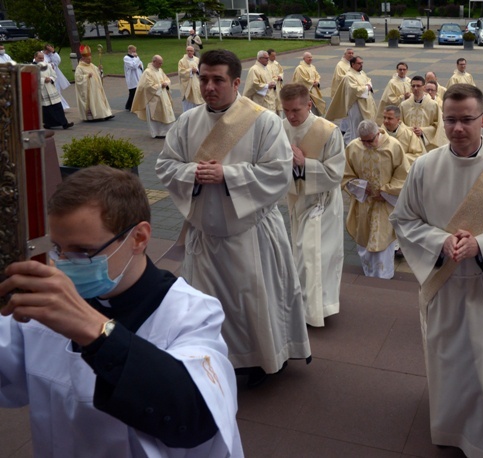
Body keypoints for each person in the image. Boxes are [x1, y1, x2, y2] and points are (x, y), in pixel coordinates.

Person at [0, 165, 243, 457]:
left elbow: (194, 416)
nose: (63, 263)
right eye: (57, 249)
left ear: (139, 237)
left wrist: (95, 331)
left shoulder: (192, 313)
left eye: (83, 251)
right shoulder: (43, 308)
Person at [389, 83, 483, 458]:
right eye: (451, 120)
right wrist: (439, 243)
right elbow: (404, 219)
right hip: (441, 283)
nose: (458, 128)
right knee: (446, 362)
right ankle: (449, 427)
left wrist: (481, 245)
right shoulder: (425, 165)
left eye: (467, 120)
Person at [156, 49, 311, 387]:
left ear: (236, 82)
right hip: (206, 234)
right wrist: (192, 172)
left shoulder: (264, 121)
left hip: (251, 233)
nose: (209, 87)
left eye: (217, 80)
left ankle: (263, 358)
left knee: (255, 300)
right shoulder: (188, 121)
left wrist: (228, 175)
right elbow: (165, 165)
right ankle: (209, 359)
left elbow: (279, 173)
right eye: (204, 79)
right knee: (206, 305)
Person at [280, 83, 345, 327]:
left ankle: (318, 309)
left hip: (322, 202)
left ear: (309, 104)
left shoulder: (328, 131)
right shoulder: (281, 128)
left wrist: (304, 164)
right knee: (301, 254)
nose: (291, 116)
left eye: (296, 110)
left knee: (316, 255)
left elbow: (336, 173)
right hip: (296, 201)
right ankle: (306, 305)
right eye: (286, 110)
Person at [341, 119, 408, 279]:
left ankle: (384, 277)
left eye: (370, 140)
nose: (367, 144)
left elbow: (403, 175)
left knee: (383, 244)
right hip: (363, 204)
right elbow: (345, 176)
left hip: (385, 204)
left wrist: (385, 191)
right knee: (365, 242)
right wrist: (361, 187)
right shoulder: (353, 147)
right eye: (363, 141)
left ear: (378, 133)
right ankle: (368, 275)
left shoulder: (393, 146)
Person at [325, 56, 376, 145]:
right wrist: (366, 87)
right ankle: (354, 144)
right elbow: (353, 90)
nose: (361, 65)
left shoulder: (361, 73)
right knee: (356, 126)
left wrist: (368, 85)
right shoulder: (349, 76)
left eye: (362, 63)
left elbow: (368, 80)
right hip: (356, 104)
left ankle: (351, 140)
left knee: (361, 124)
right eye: (359, 63)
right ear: (353, 64)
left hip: (365, 103)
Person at [131, 55, 176, 138]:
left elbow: (167, 79)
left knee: (167, 113)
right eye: (159, 63)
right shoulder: (147, 72)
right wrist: (160, 86)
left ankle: (167, 131)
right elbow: (147, 86)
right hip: (153, 98)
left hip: (163, 95)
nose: (161, 65)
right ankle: (158, 132)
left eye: (161, 63)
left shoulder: (160, 70)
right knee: (156, 114)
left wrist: (166, 83)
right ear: (154, 62)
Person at [400, 75, 447, 151]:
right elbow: (399, 124)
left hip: (426, 144)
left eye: (418, 86)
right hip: (408, 143)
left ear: (424, 87)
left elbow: (438, 126)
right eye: (413, 86)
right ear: (411, 87)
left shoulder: (433, 105)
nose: (415, 88)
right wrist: (410, 130)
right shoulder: (404, 105)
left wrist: (423, 131)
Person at [34, 51, 73, 129]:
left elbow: (54, 75)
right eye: (40, 58)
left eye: (42, 58)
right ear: (35, 57)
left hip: (51, 89)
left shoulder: (47, 65)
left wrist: (50, 78)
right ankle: (48, 124)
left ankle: (64, 123)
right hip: (42, 90)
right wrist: (42, 80)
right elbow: (32, 78)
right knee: (47, 109)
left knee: (58, 107)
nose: (42, 59)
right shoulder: (33, 67)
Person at [75, 44, 113, 122]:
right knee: (93, 102)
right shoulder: (79, 67)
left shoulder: (91, 65)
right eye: (88, 60)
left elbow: (97, 73)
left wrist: (99, 69)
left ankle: (104, 114)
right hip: (89, 90)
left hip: (96, 88)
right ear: (83, 59)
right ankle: (93, 116)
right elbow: (78, 79)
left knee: (100, 100)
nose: (90, 61)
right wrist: (86, 76)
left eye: (90, 59)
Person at [330, 48, 354, 134]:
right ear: (345, 54)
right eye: (349, 53)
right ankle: (345, 129)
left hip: (351, 91)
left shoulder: (351, 64)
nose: (351, 54)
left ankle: (346, 128)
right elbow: (340, 78)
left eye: (352, 53)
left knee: (348, 111)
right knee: (346, 111)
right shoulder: (340, 65)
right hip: (344, 91)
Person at [43, 44, 70, 109]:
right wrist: (50, 65)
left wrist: (53, 52)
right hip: (47, 76)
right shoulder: (42, 55)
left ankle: (61, 106)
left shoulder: (52, 54)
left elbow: (57, 61)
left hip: (54, 76)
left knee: (57, 91)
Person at [178, 46, 205, 112]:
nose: (189, 52)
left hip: (197, 82)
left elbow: (202, 69)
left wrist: (197, 70)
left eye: (191, 51)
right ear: (186, 51)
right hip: (188, 85)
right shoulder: (182, 61)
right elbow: (181, 72)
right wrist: (190, 71)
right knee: (189, 106)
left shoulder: (197, 60)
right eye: (188, 50)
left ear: (193, 52)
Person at [123, 44, 143, 111]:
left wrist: (140, 66)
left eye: (135, 51)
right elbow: (133, 66)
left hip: (138, 75)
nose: (135, 52)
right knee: (132, 92)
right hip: (132, 77)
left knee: (138, 91)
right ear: (129, 50)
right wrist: (136, 59)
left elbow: (140, 64)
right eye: (133, 51)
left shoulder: (136, 57)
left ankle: (136, 105)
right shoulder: (126, 58)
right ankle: (129, 105)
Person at [267, 49, 284, 116]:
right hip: (272, 87)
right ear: (268, 56)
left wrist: (280, 76)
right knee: (273, 103)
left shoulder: (276, 63)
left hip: (278, 86)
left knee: (279, 103)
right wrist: (276, 78)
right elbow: (268, 76)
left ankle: (281, 118)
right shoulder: (266, 65)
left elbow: (281, 71)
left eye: (275, 56)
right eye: (273, 56)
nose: (274, 57)